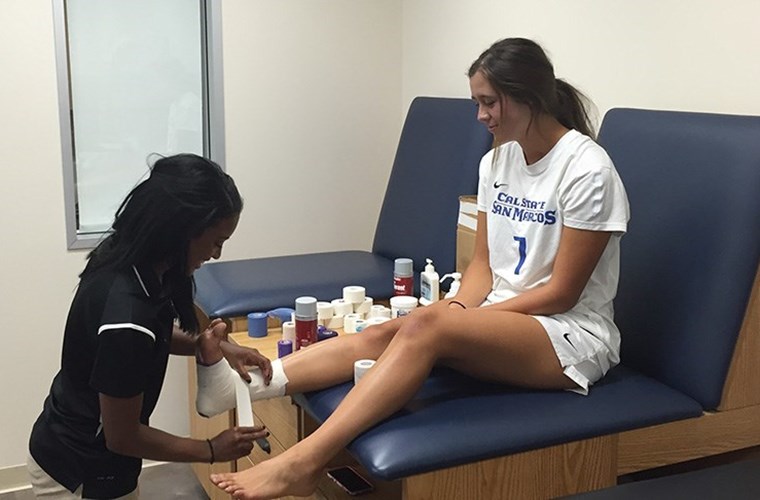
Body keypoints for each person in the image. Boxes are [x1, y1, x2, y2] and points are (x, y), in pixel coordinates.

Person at [204, 37, 630, 500]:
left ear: (530, 96)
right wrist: (457, 308)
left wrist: (457, 320)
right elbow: (483, 267)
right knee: (392, 330)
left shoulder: (587, 170)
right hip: (504, 320)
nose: (481, 116)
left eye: (489, 102)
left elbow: (562, 293)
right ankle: (242, 385)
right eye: (477, 102)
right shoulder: (496, 162)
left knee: (427, 325)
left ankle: (303, 462)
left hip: (568, 335)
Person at [28, 154, 273, 499]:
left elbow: (147, 338)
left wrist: (217, 347)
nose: (217, 254)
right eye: (217, 241)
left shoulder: (131, 258)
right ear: (182, 230)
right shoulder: (126, 312)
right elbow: (123, 436)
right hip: (79, 471)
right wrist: (210, 449)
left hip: (92, 455)